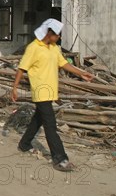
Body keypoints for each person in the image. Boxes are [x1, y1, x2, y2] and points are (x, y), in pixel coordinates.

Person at [11, 18, 94, 172]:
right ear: (49, 33)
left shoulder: (55, 48)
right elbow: (22, 68)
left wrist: (82, 74)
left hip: (51, 91)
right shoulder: (33, 47)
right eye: (58, 35)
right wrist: (15, 88)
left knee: (38, 119)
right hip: (40, 91)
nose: (59, 37)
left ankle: (24, 144)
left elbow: (63, 63)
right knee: (50, 125)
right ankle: (60, 158)